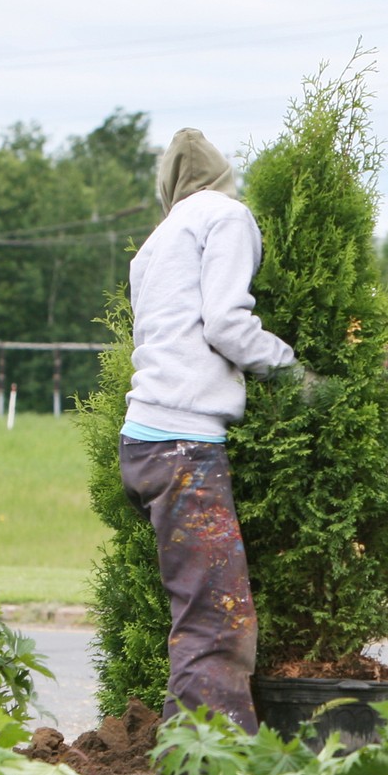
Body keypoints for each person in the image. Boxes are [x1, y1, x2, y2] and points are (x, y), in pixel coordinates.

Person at [120, 128, 297, 735]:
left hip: (144, 442)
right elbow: (226, 323)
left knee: (199, 617)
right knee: (217, 626)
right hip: (184, 447)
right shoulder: (226, 215)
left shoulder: (155, 242)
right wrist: (295, 370)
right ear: (221, 176)